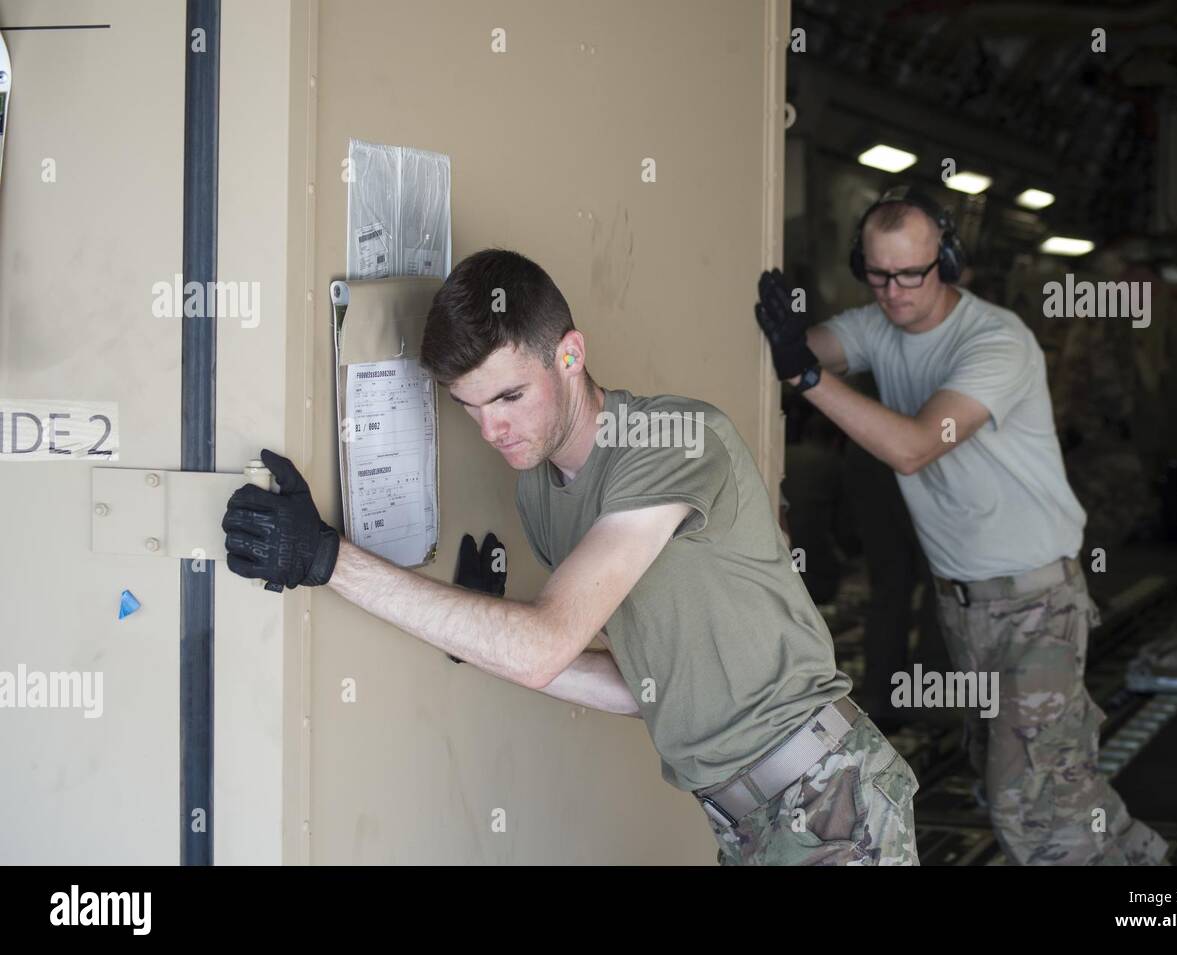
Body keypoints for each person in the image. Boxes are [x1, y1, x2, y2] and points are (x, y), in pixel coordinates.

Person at [222, 248, 918, 866]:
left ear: (570, 354)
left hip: (832, 798)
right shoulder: (541, 497)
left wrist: (327, 560)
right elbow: (640, 686)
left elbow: (543, 646)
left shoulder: (672, 440)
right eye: (470, 406)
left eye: (509, 395)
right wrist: (484, 633)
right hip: (748, 822)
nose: (493, 428)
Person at [753, 184, 1167, 865]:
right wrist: (779, 338)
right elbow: (801, 351)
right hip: (965, 607)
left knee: (1028, 801)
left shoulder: (997, 341)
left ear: (947, 261)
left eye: (912, 273)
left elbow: (916, 445)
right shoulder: (877, 325)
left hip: (1036, 604)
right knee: (1048, 775)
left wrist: (805, 377)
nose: (894, 291)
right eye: (878, 274)